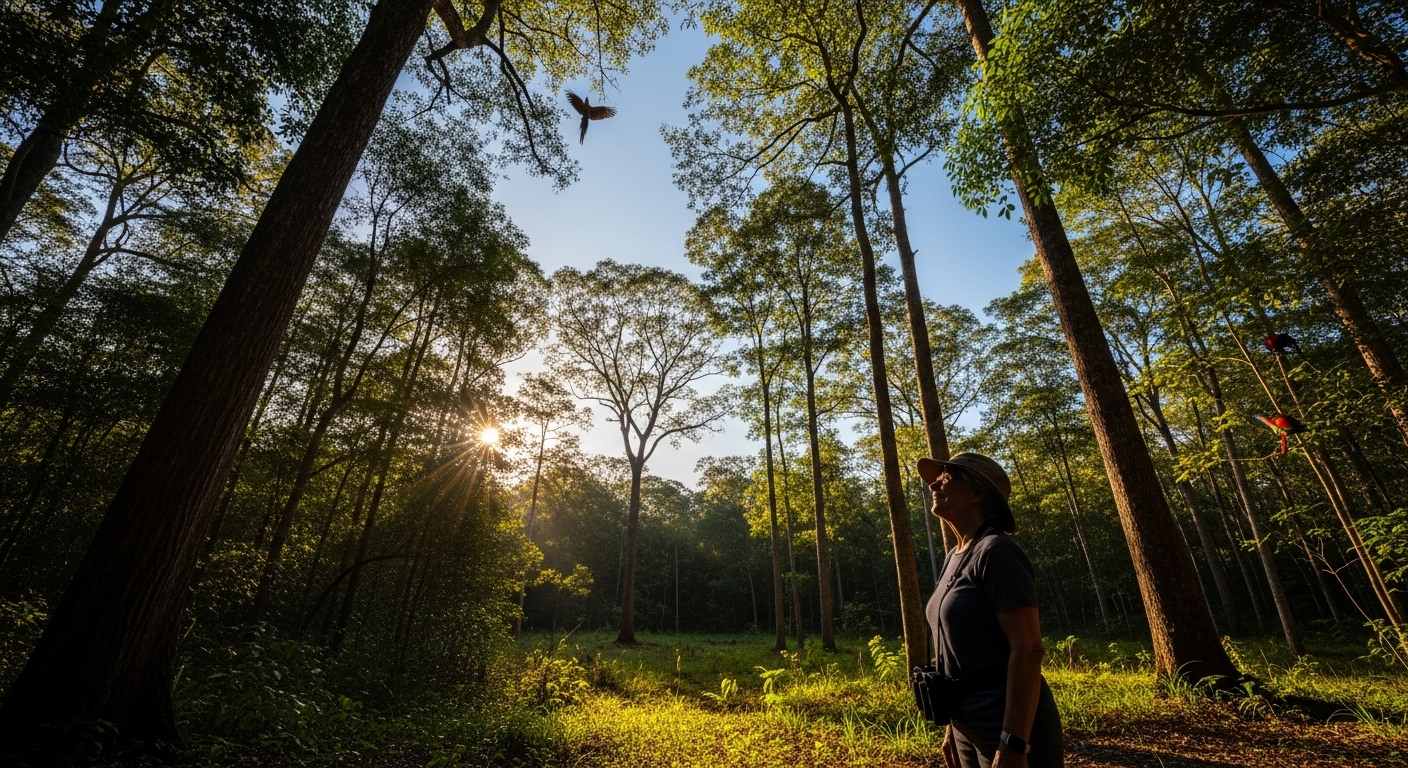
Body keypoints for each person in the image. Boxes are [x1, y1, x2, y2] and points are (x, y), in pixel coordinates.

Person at [918, 452, 1063, 768]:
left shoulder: (998, 551)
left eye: (946, 478)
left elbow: (1028, 649)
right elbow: (957, 655)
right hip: (966, 725)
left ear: (977, 493)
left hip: (1007, 726)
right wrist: (952, 729)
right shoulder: (954, 556)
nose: (933, 485)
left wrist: (1013, 744)